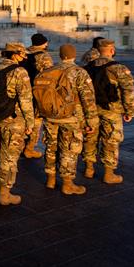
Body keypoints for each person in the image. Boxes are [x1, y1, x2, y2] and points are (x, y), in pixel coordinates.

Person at [42, 44, 98, 195]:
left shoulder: (48, 71)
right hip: (71, 118)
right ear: (73, 55)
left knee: (50, 146)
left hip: (50, 116)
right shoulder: (79, 72)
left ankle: (50, 179)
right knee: (69, 149)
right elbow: (88, 99)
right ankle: (67, 184)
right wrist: (91, 121)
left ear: (60, 55)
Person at [0, 43, 35, 205]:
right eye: (22, 55)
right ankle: (5, 194)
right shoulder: (19, 71)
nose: (24, 58)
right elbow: (26, 100)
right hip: (13, 120)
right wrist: (30, 122)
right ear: (15, 55)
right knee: (9, 156)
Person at [83, 39, 134, 183]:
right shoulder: (119, 68)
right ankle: (108, 174)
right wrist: (129, 111)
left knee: (90, 137)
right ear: (112, 50)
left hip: (91, 110)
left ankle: (89, 168)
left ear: (98, 51)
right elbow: (128, 91)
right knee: (111, 139)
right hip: (111, 110)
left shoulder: (87, 67)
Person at [22, 33, 54, 159]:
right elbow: (49, 74)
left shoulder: (24, 53)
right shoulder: (43, 56)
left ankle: (21, 145)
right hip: (37, 91)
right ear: (43, 43)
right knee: (36, 121)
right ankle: (29, 148)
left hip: (24, 89)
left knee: (24, 119)